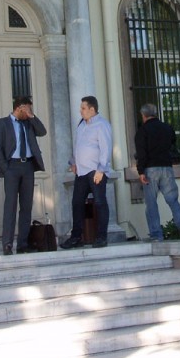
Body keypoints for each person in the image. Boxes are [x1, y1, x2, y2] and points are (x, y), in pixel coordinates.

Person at [0, 97, 47, 255]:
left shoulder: (29, 122)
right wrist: (5, 167)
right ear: (19, 108)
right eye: (28, 109)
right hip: (12, 167)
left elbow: (42, 132)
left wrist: (32, 116)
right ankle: (7, 244)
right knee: (10, 206)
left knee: (26, 207)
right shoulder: (2, 123)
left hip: (28, 166)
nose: (30, 112)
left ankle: (23, 244)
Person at [135, 104, 180, 241]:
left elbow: (141, 153)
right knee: (172, 200)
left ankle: (156, 234)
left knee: (151, 203)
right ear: (156, 113)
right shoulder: (167, 128)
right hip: (167, 167)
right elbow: (172, 143)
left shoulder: (142, 131)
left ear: (143, 115)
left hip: (150, 169)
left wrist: (141, 171)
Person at [60, 96, 113, 249]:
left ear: (92, 109)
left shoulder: (102, 125)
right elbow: (78, 145)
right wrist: (73, 162)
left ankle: (101, 237)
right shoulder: (81, 124)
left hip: (95, 171)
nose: (80, 111)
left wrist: (101, 170)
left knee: (100, 203)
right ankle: (76, 237)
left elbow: (106, 148)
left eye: (83, 108)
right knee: (77, 203)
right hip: (82, 172)